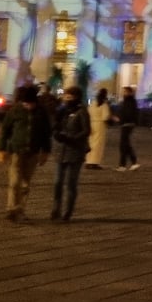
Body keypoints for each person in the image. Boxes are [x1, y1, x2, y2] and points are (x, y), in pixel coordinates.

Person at [0, 84, 52, 222]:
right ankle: (11, 209)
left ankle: (20, 210)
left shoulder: (41, 112)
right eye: (25, 103)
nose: (28, 106)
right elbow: (5, 131)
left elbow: (46, 133)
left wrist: (45, 151)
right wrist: (2, 149)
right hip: (16, 151)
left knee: (25, 183)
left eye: (30, 103)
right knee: (14, 181)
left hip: (33, 152)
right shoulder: (15, 111)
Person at [51, 86, 91, 223]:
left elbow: (86, 131)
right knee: (57, 182)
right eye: (66, 96)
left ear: (76, 97)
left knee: (71, 183)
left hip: (75, 151)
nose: (67, 99)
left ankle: (68, 212)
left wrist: (71, 138)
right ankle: (56, 209)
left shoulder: (81, 111)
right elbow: (55, 126)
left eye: (70, 96)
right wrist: (56, 133)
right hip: (60, 151)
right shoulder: (61, 111)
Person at [85, 88, 111, 170]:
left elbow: (87, 113)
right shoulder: (104, 105)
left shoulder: (92, 104)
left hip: (91, 124)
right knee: (98, 144)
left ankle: (88, 161)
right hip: (100, 125)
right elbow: (105, 117)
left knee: (91, 143)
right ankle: (94, 162)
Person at [115, 86, 140, 171]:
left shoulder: (130, 101)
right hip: (126, 124)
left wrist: (120, 119)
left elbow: (128, 113)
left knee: (123, 145)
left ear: (129, 93)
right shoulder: (128, 101)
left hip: (127, 124)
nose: (123, 93)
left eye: (125, 92)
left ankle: (124, 165)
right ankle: (132, 163)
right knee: (126, 144)